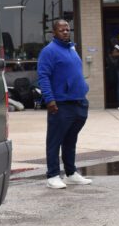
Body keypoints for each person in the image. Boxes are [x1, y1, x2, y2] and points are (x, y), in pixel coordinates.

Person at [37, 19, 93, 189]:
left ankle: (70, 173)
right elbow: (43, 76)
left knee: (70, 140)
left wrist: (84, 88)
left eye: (68, 29)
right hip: (61, 103)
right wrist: (50, 99)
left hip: (78, 102)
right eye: (61, 30)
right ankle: (53, 175)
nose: (66, 32)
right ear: (54, 33)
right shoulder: (49, 51)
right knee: (55, 141)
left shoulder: (71, 49)